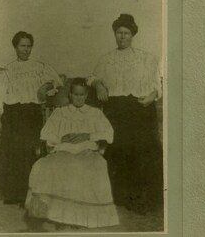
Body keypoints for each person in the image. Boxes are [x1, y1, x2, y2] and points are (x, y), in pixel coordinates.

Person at [88, 14, 163, 214]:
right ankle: (121, 196)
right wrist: (98, 85)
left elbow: (157, 85)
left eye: (126, 33)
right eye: (119, 33)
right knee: (119, 149)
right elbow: (92, 77)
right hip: (117, 110)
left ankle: (142, 198)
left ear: (132, 35)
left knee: (141, 151)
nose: (122, 37)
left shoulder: (146, 58)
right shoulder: (106, 59)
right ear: (114, 35)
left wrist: (152, 96)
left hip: (140, 109)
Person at [25, 78, 119, 230]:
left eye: (82, 95)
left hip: (87, 150)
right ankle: (58, 214)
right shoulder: (60, 113)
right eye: (75, 94)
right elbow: (46, 133)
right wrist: (61, 137)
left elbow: (109, 133)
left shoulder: (94, 113)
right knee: (46, 165)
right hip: (63, 149)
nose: (79, 98)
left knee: (83, 167)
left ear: (87, 95)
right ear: (70, 95)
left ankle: (79, 216)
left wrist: (88, 136)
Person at [0, 31, 63, 206]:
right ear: (15, 47)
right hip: (13, 114)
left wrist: (47, 86)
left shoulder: (40, 67)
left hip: (32, 113)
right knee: (13, 153)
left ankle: (31, 193)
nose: (26, 49)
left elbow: (57, 83)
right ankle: (13, 194)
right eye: (22, 45)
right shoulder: (8, 70)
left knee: (32, 152)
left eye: (29, 45)